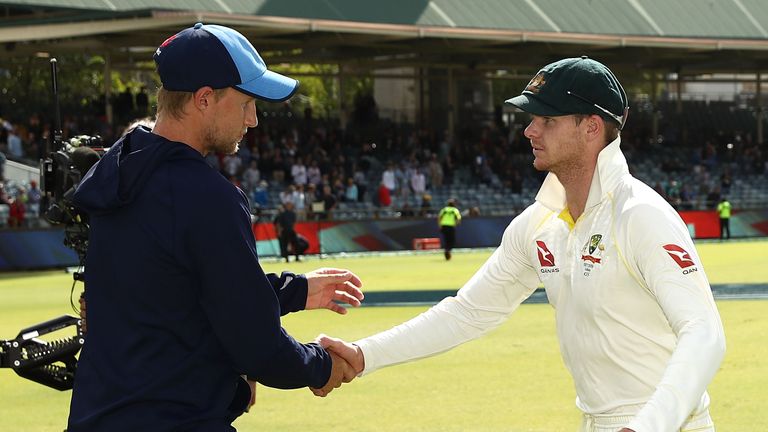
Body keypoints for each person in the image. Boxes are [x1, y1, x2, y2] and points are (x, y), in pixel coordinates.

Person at [318, 57, 726, 432]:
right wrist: (363, 353)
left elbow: (704, 331)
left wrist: (647, 426)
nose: (529, 129)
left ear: (591, 127)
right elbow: (467, 312)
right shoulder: (538, 224)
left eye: (546, 118)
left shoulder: (640, 214)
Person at [67, 23, 363, 431]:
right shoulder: (207, 197)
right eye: (245, 103)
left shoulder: (118, 175)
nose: (254, 119)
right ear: (204, 99)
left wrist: (297, 290)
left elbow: (178, 298)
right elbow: (256, 346)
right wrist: (321, 365)